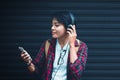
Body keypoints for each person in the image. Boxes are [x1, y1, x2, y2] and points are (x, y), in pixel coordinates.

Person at [20, 11, 88, 80]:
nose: (52, 28)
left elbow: (77, 73)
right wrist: (28, 62)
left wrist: (72, 45)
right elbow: (36, 71)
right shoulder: (48, 44)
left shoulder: (81, 46)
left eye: (56, 25)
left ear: (68, 27)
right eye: (52, 25)